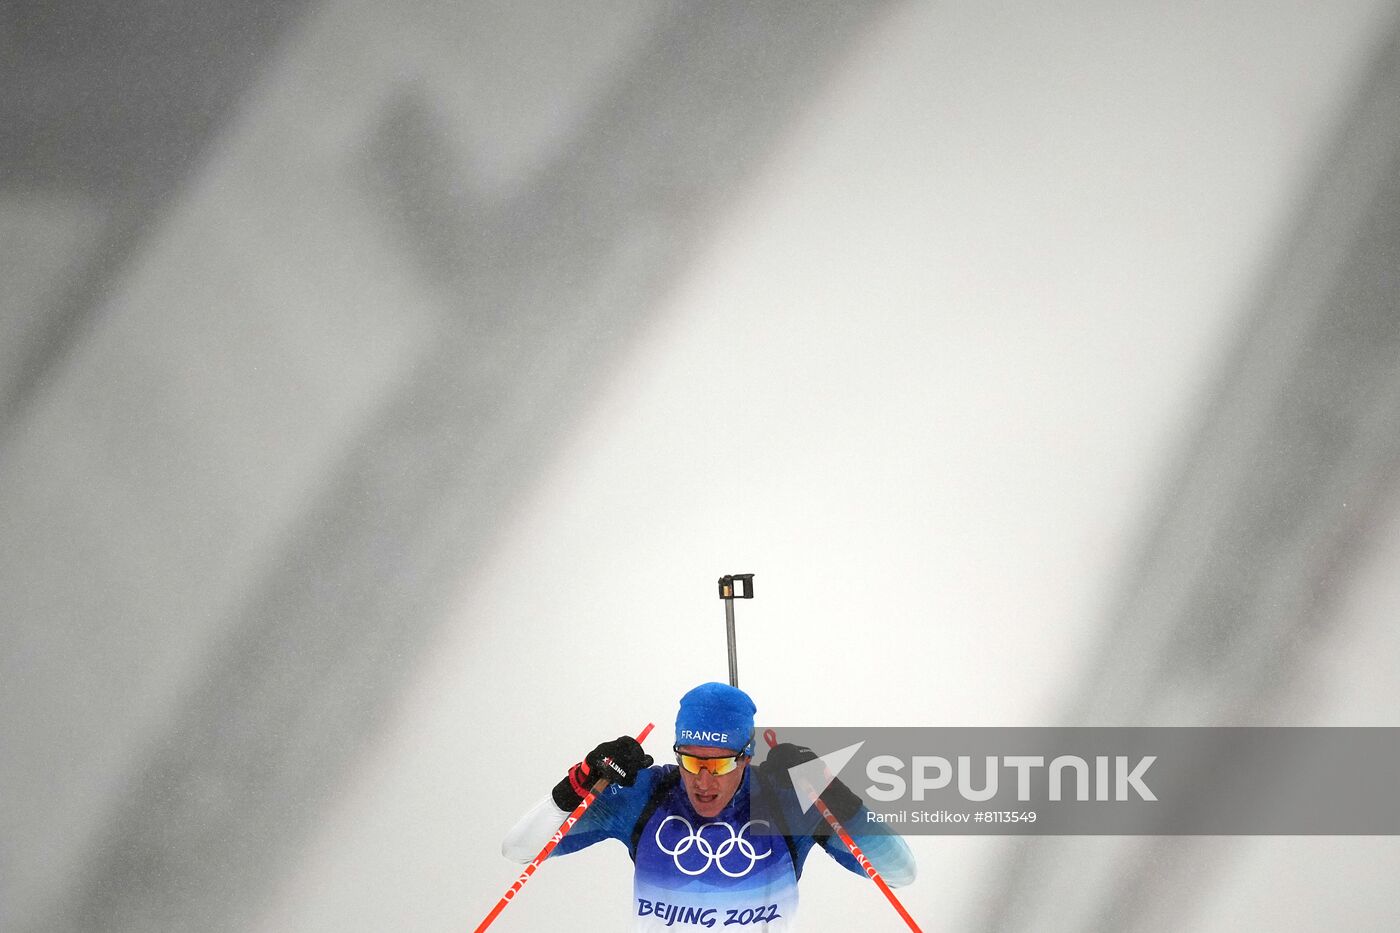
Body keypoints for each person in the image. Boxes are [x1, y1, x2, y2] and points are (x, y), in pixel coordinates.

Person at [501, 682, 915, 930]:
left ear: (746, 755)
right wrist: (581, 779)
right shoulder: (646, 793)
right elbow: (519, 849)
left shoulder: (785, 801)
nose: (702, 780)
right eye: (691, 760)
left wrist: (832, 789)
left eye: (718, 764)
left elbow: (900, 872)